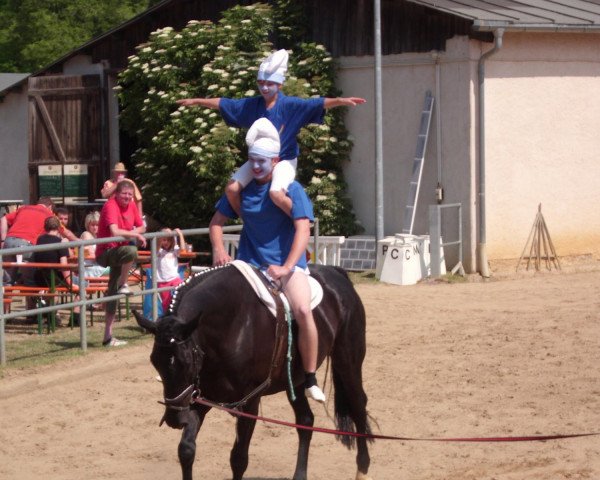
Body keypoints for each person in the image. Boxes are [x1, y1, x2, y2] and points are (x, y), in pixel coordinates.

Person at [209, 118, 326, 403]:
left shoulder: (292, 190)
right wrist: (219, 250)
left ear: (275, 161)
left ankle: (309, 377)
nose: (257, 167)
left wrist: (288, 266)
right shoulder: (243, 190)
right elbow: (216, 223)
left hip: (285, 266)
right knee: (214, 302)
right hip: (249, 264)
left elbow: (303, 228)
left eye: (262, 161)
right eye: (252, 161)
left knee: (301, 309)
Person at [177, 49, 365, 217]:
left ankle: (299, 223)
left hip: (284, 161)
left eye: (270, 83)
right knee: (232, 189)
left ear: (280, 85)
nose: (264, 87)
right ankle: (247, 219)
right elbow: (224, 103)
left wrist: (341, 100)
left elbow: (317, 103)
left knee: (275, 193)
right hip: (259, 160)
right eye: (261, 83)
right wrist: (196, 101)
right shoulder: (252, 105)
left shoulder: (289, 105)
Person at [96, 180, 146, 347]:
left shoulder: (131, 205)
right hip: (106, 252)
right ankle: (123, 283)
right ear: (116, 194)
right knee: (132, 252)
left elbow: (142, 227)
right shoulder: (110, 205)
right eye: (124, 194)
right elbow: (114, 231)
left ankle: (107, 337)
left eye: (130, 195)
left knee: (112, 292)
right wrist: (135, 235)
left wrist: (134, 233)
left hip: (120, 252)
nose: (127, 197)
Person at [0, 196, 55, 283]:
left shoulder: (24, 208)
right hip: (26, 245)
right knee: (30, 281)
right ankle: (30, 295)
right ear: (50, 207)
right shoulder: (49, 214)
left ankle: (6, 296)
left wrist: (3, 240)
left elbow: (3, 219)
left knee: (6, 281)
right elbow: (60, 232)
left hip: (9, 241)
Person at [155, 227, 186, 312]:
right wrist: (162, 235)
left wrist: (180, 235)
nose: (166, 242)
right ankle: (168, 318)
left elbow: (182, 249)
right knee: (166, 303)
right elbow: (157, 245)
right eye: (164, 240)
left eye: (168, 240)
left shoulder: (174, 250)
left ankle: (181, 311)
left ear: (172, 241)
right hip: (163, 281)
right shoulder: (159, 251)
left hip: (174, 278)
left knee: (182, 290)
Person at [80, 211, 110, 278]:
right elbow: (90, 255)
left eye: (97, 225)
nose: (95, 227)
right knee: (119, 270)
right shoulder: (86, 235)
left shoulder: (97, 236)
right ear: (88, 225)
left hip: (97, 264)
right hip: (89, 267)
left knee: (121, 268)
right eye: (93, 225)